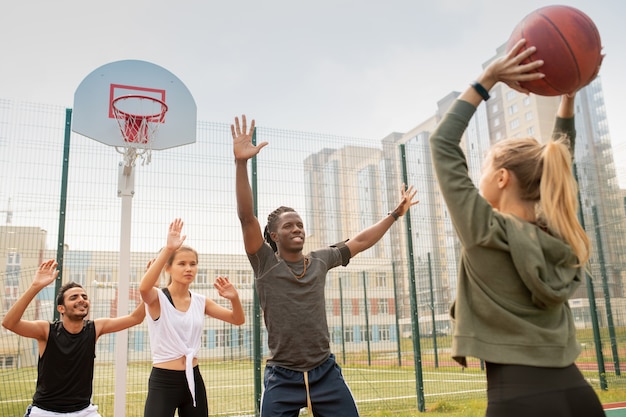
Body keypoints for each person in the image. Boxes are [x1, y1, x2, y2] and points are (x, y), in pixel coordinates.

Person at [428, 38, 605, 417]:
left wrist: (487, 79)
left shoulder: (483, 230)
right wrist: (567, 99)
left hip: (519, 401)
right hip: (578, 396)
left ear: (504, 178)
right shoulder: (557, 234)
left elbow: (443, 143)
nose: (482, 175)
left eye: (488, 168)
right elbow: (561, 165)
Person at [232, 114, 419, 417]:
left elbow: (359, 241)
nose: (297, 229)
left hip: (325, 373)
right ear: (273, 236)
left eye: (300, 225)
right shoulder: (264, 263)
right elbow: (246, 217)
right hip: (283, 376)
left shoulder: (320, 259)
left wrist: (395, 214)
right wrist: (241, 164)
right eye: (289, 226)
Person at [1, 259, 146, 417]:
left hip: (84, 411)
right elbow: (9, 323)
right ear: (61, 308)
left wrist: (150, 288)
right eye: (74, 297)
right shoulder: (46, 330)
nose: (81, 299)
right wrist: (36, 287)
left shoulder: (95, 328)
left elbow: (135, 318)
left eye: (84, 296)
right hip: (45, 411)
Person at [139, 218, 245, 417]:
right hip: (164, 381)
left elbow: (237, 319)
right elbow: (144, 288)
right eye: (182, 263)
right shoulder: (158, 298)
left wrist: (235, 298)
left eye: (193, 264)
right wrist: (168, 249)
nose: (189, 268)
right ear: (168, 268)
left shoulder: (200, 301)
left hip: (193, 379)